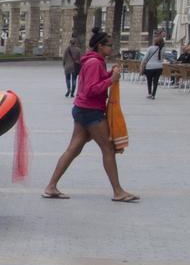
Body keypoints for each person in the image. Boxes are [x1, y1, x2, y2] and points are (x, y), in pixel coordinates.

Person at [42, 28, 137, 202]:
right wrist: (111, 80)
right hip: (91, 111)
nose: (111, 48)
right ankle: (118, 191)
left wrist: (109, 74)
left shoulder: (94, 61)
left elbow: (93, 83)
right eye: (109, 45)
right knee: (108, 149)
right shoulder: (94, 63)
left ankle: (51, 186)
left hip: (82, 109)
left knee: (74, 148)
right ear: (100, 46)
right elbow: (91, 89)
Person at [141, 33, 165, 100]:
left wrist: (142, 65)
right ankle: (154, 95)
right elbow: (162, 59)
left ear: (155, 42)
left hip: (150, 67)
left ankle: (149, 93)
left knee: (149, 80)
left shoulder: (150, 48)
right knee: (156, 81)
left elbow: (145, 58)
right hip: (159, 67)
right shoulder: (163, 49)